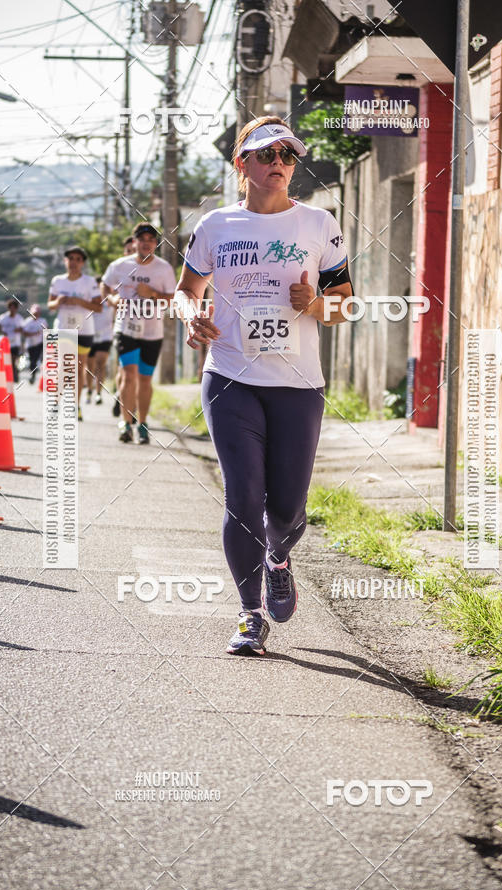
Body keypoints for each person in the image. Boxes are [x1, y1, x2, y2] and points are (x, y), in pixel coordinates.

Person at [176, 116, 353, 656]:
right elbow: (186, 291)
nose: (279, 163)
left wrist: (317, 305)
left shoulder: (319, 224)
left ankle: (279, 555)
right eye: (266, 154)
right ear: (242, 165)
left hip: (298, 384)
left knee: (287, 508)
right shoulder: (214, 226)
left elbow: (347, 304)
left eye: (287, 156)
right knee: (243, 498)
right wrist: (190, 316)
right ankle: (249, 614)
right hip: (229, 376)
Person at [101, 223, 176, 444]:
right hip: (126, 328)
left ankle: (142, 423)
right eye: (141, 239)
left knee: (145, 380)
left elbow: (172, 298)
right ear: (134, 242)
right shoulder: (119, 266)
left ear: (155, 244)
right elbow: (105, 286)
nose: (146, 243)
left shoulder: (164, 269)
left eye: (151, 240)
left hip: (153, 331)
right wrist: (113, 299)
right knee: (129, 374)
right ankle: (125, 423)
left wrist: (152, 293)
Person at [47, 246, 102, 420]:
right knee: (63, 368)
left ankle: (75, 406)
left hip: (85, 330)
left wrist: (80, 301)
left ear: (82, 263)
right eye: (71, 258)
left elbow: (98, 307)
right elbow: (50, 305)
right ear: (65, 261)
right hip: (63, 329)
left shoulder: (89, 281)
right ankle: (56, 403)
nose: (74, 262)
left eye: (78, 259)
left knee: (78, 370)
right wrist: (58, 301)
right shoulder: (58, 281)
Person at [112, 235, 137, 418]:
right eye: (128, 251)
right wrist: (116, 301)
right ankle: (125, 408)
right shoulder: (119, 270)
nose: (131, 253)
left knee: (137, 374)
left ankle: (129, 403)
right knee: (125, 371)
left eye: (133, 250)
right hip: (122, 327)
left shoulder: (149, 271)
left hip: (146, 329)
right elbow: (109, 295)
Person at [85, 280, 114, 405]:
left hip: (106, 336)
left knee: (100, 363)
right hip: (90, 335)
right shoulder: (90, 299)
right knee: (90, 367)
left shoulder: (111, 300)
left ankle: (98, 393)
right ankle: (89, 390)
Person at [0, 298, 24, 381]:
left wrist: (18, 330)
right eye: (11, 307)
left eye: (14, 308)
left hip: (15, 343)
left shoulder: (19, 318)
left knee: (13, 359)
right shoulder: (3, 317)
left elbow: (23, 329)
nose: (12, 309)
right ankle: (9, 375)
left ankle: (14, 375)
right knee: (7, 360)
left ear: (16, 309)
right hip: (6, 342)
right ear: (9, 308)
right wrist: (3, 331)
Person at [21, 304, 47, 383]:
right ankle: (33, 373)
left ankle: (36, 375)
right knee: (32, 361)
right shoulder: (27, 322)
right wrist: (33, 334)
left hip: (39, 344)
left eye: (37, 313)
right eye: (34, 313)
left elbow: (46, 331)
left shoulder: (43, 321)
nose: (36, 315)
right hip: (30, 345)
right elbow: (24, 333)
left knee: (36, 360)